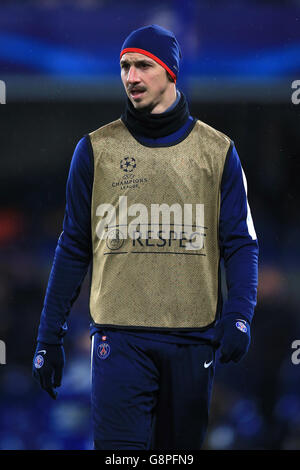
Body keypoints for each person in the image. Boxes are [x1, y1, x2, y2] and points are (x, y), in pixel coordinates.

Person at [33, 24, 259, 450]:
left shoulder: (218, 151)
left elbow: (241, 243)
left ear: (170, 72)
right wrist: (49, 336)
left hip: (193, 342)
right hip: (118, 342)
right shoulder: (95, 150)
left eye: (142, 65)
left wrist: (240, 314)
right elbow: (72, 247)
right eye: (124, 66)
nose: (130, 77)